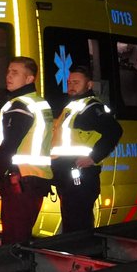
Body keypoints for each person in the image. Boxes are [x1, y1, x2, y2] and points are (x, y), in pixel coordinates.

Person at [0, 56, 52, 244]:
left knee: (13, 242)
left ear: (29, 79)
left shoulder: (20, 106)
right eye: (8, 72)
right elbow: (27, 141)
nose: (8, 76)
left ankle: (15, 265)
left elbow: (10, 148)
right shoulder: (38, 103)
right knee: (21, 238)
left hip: (20, 181)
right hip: (34, 179)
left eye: (15, 73)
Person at [50, 61, 123, 234]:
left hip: (81, 175)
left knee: (79, 223)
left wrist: (93, 157)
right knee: (71, 222)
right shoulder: (71, 107)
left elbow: (114, 131)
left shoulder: (93, 107)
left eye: (76, 82)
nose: (71, 86)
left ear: (89, 85)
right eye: (69, 82)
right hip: (66, 174)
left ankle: (83, 250)